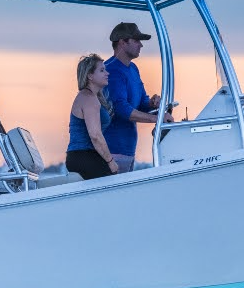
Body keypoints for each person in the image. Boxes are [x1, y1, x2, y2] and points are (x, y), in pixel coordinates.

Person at [104, 22, 172, 170]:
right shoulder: (111, 71)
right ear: (122, 42)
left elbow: (141, 103)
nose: (141, 45)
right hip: (111, 152)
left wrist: (152, 104)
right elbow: (121, 109)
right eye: (136, 41)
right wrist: (158, 119)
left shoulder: (133, 68)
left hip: (127, 151)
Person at [65, 54, 119, 180]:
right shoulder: (88, 98)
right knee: (112, 182)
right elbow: (95, 135)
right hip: (83, 156)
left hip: (83, 155)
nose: (107, 73)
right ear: (90, 76)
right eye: (102, 70)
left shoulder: (92, 97)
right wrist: (110, 161)